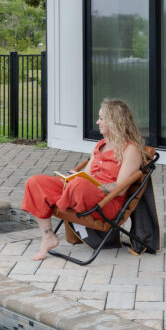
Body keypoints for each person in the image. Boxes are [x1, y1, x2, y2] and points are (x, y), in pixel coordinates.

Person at [22, 98, 144, 261]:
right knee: (35, 182)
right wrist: (70, 178)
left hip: (106, 203)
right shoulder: (100, 145)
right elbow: (86, 174)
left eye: (101, 118)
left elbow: (120, 188)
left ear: (115, 121)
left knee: (79, 184)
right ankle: (48, 236)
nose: (97, 122)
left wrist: (93, 186)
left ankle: (58, 203)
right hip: (83, 194)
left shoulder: (131, 149)